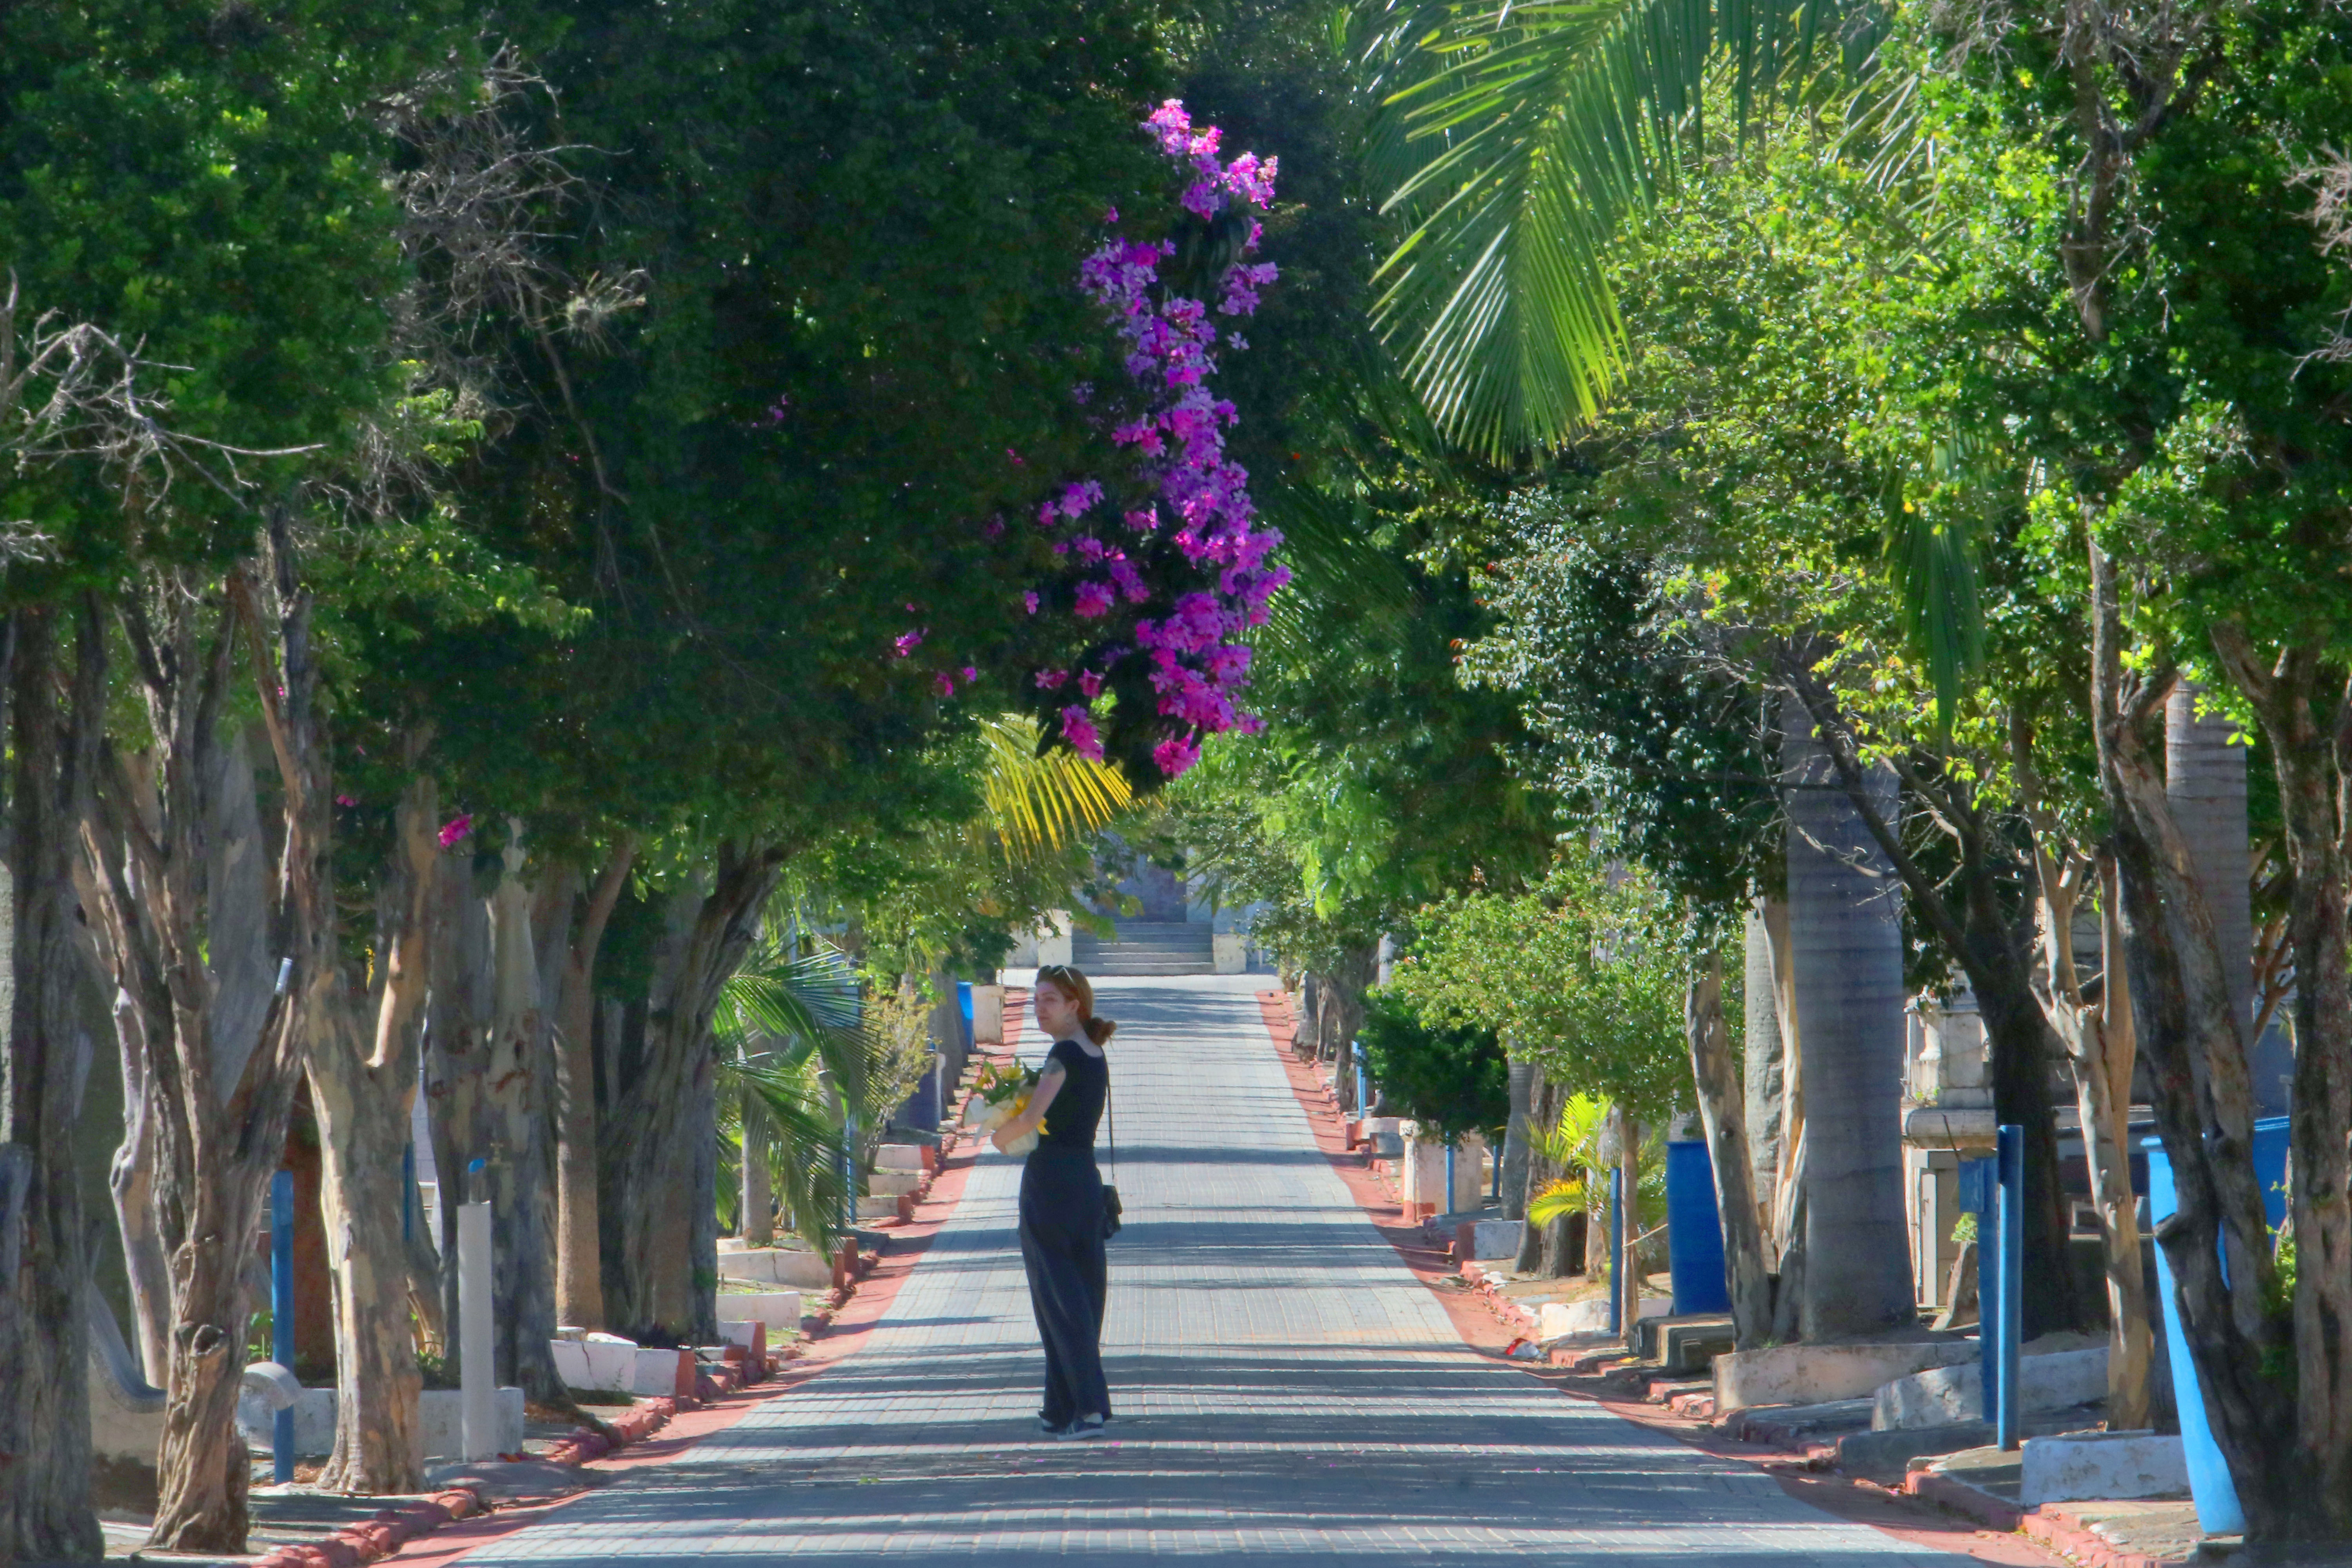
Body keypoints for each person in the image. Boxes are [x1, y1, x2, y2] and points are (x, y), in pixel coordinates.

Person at [992, 963, 1114, 1438]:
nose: (1038, 1008)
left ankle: (1088, 1407)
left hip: (1050, 1182)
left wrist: (996, 1135)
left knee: (1057, 1296)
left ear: (1073, 1005)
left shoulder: (1062, 1055)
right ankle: (1059, 1406)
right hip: (1085, 1180)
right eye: (1036, 999)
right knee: (1080, 1291)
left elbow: (1032, 1117)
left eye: (1049, 1000)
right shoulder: (1095, 1052)